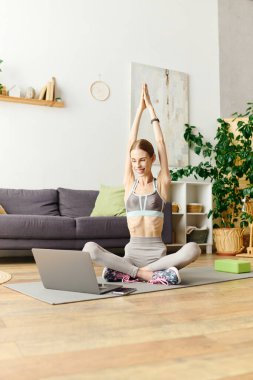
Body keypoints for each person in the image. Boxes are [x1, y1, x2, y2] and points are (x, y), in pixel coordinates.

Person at [83, 84, 201, 285]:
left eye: (143, 160)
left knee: (194, 249)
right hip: (131, 256)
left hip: (158, 258)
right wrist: (139, 110)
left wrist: (151, 111)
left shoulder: (161, 185)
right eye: (134, 160)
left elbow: (161, 142)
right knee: (89, 249)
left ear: (152, 158)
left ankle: (130, 273)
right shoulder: (129, 184)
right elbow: (130, 142)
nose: (137, 165)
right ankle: (148, 275)